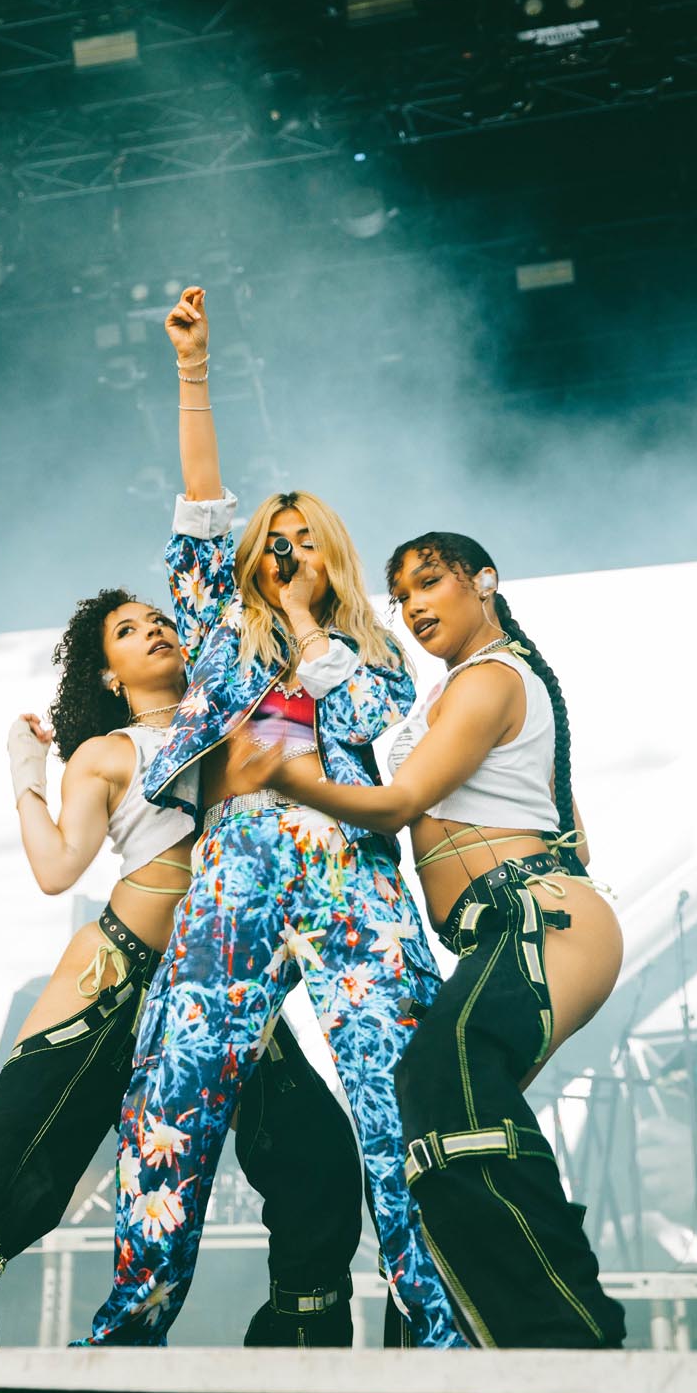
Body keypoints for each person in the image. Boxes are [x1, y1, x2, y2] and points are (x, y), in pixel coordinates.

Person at [79, 288, 460, 1348]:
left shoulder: (375, 650)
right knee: (175, 1097)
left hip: (349, 869)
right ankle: (129, 1330)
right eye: (272, 541)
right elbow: (203, 502)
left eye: (305, 541)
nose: (286, 552)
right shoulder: (214, 624)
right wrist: (193, 369)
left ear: (331, 556)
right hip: (237, 861)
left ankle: (439, 1329)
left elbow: (372, 724)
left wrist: (309, 625)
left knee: (399, 1098)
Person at [0, 589, 363, 1350]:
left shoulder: (237, 728)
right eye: (127, 630)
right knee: (12, 1156)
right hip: (116, 974)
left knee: (317, 1155)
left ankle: (303, 1343)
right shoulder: (107, 753)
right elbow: (57, 869)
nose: (152, 630)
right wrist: (26, 770)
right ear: (109, 674)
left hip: (219, 987)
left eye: (160, 620)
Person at [226, 531, 627, 1348]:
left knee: (439, 1079)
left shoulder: (490, 679)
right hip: (515, 920)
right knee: (443, 1114)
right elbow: (574, 831)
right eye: (401, 595)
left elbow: (399, 803)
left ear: (485, 582)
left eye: (430, 582)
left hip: (535, 916)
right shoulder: (464, 689)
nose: (412, 606)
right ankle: (480, 1332)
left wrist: (289, 776)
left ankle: (568, 1334)